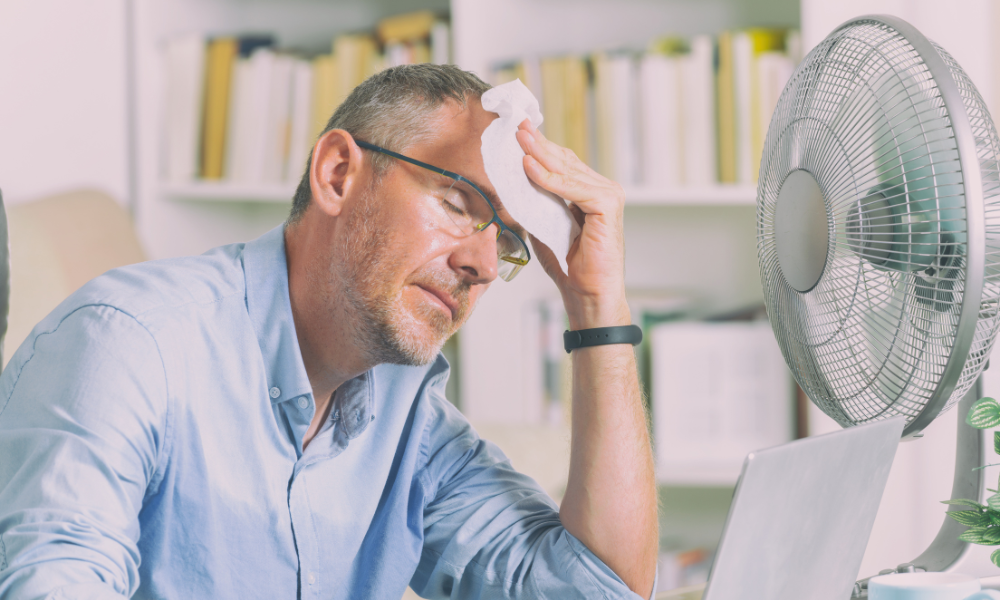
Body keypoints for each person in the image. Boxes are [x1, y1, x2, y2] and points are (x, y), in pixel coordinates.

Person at [0, 64, 657, 599]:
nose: (483, 265)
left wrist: (597, 301)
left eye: (509, 241)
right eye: (459, 205)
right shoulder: (128, 344)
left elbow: (595, 592)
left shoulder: (409, 416)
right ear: (338, 174)